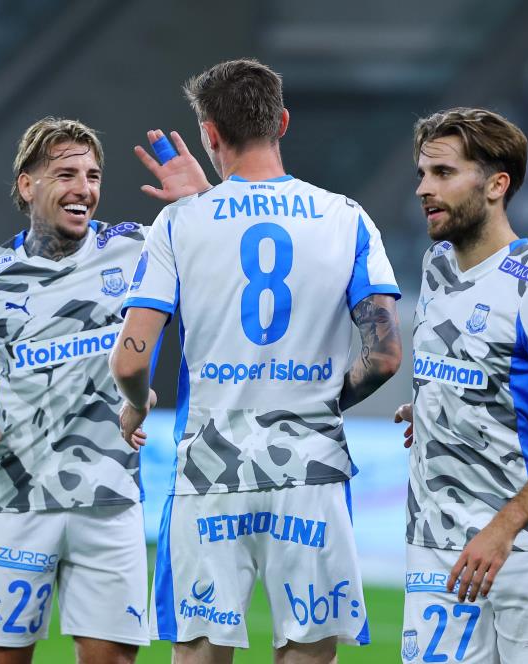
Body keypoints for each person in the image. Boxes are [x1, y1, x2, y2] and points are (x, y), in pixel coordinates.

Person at [109, 58, 403, 663]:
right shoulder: (347, 218)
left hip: (209, 472)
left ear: (210, 133)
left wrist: (136, 406)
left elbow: (130, 362)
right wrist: (321, 400)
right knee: (307, 650)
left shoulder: (179, 223)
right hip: (311, 471)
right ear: (283, 122)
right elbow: (384, 355)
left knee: (200, 650)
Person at [0, 117, 159, 663]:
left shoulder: (134, 249)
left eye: (93, 175)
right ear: (27, 184)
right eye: (66, 174)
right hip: (18, 496)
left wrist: (194, 196)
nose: (83, 188)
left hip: (109, 496)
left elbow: (211, 246)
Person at [394, 107, 528, 663]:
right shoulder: (436, 266)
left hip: (523, 550)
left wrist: (502, 529)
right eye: (422, 173)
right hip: (435, 544)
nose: (423, 188)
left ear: (495, 185)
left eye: (443, 173)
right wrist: (436, 408)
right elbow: (483, 376)